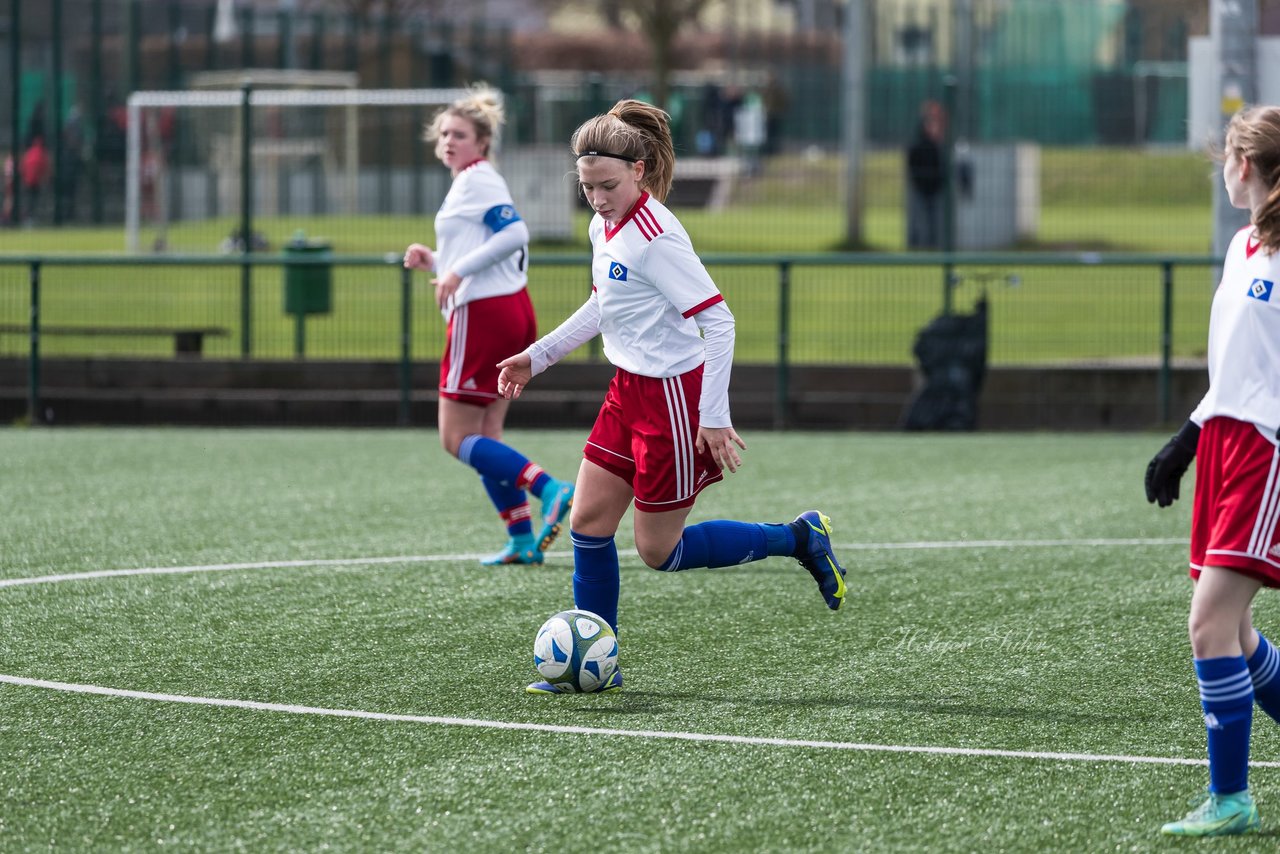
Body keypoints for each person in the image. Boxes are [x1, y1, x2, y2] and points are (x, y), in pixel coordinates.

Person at [496, 100, 850, 695]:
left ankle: (800, 537)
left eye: (608, 186)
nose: (599, 199)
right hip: (626, 391)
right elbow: (605, 304)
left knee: (659, 552)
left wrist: (712, 416)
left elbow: (721, 322)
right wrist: (539, 356)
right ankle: (599, 663)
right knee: (586, 522)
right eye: (587, 189)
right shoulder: (602, 224)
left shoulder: (657, 239)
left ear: (639, 170)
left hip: (674, 401)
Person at [1144, 105, 1280, 837]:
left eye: (1227, 156)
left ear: (1247, 165)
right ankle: (1230, 797)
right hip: (1225, 444)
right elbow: (1235, 369)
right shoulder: (1243, 246)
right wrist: (1186, 439)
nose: (1222, 168)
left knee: (1210, 626)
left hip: (1269, 452)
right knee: (1241, 633)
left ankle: (1231, 800)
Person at [402, 86, 574, 567]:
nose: (448, 142)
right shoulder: (472, 181)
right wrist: (436, 261)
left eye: (459, 134)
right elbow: (489, 248)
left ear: (481, 143)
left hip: (483, 314)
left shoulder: (477, 178)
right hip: (509, 307)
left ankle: (551, 489)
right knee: (488, 434)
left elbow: (515, 233)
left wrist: (456, 272)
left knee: (455, 438)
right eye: (443, 135)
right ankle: (521, 539)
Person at [906, 100, 947, 250]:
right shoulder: (918, 144)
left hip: (935, 188)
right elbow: (912, 164)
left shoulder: (940, 146)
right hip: (920, 188)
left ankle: (933, 246)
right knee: (918, 220)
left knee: (935, 220)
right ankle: (916, 246)